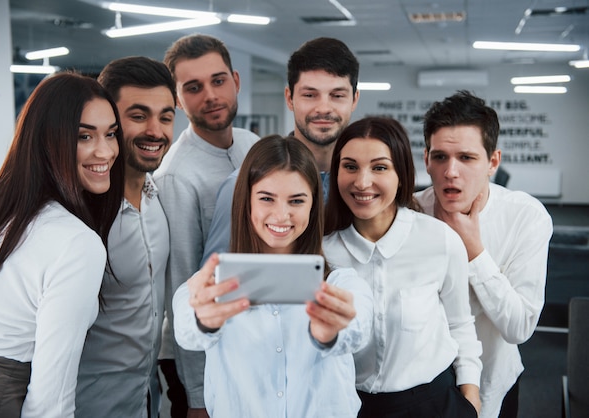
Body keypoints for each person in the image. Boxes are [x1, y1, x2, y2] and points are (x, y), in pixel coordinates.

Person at [172, 135, 373, 418]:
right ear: (246, 201)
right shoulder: (210, 288)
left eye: (296, 201)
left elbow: (358, 328)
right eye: (267, 198)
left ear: (313, 206)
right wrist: (204, 322)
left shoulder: (342, 284)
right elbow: (186, 331)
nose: (281, 215)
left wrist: (330, 335)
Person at [0, 72, 124, 417]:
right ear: (47, 140)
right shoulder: (77, 242)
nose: (106, 150)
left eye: (111, 134)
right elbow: (52, 394)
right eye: (84, 136)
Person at [323, 116, 482, 417]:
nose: (362, 181)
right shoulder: (324, 252)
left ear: (401, 174)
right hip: (349, 405)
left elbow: (460, 324)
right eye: (350, 166)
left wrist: (470, 394)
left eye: (380, 167)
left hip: (432, 403)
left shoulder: (440, 241)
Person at [415, 90, 553, 418]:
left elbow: (519, 327)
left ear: (492, 162)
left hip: (493, 384)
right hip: (420, 386)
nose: (450, 172)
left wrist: (475, 252)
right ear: (426, 160)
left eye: (466, 157)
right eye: (440, 157)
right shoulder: (409, 211)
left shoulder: (526, 216)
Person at [154, 34, 259, 418]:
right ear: (178, 100)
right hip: (197, 350)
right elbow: (181, 286)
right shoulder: (176, 176)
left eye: (218, 81)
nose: (210, 95)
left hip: (243, 334)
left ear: (235, 80)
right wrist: (198, 396)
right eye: (193, 88)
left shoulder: (252, 145)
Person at [75, 56, 176, 418]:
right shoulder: (80, 219)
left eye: (166, 116)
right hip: (85, 406)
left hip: (146, 400)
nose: (156, 130)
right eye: (138, 115)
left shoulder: (160, 201)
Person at [201, 36, 360, 262]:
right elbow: (215, 274)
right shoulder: (243, 184)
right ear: (289, 98)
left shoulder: (363, 188)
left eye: (337, 95)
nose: (324, 108)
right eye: (309, 95)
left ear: (354, 100)